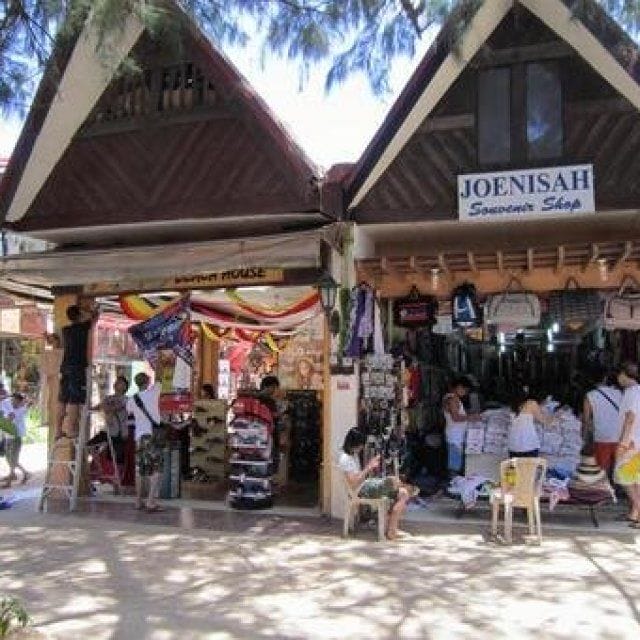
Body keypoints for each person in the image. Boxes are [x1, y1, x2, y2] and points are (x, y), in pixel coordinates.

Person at [338, 428, 414, 540]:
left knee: (403, 493)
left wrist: (370, 467)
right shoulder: (346, 459)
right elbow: (354, 482)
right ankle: (392, 530)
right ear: (354, 443)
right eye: (361, 444)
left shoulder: (353, 455)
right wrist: (369, 467)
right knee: (395, 483)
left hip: (365, 486)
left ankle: (392, 530)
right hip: (361, 490)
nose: (362, 447)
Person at [56, 303, 99, 440]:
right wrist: (89, 310)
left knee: (63, 399)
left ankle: (58, 431)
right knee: (75, 400)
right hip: (77, 368)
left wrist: (83, 311)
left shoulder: (65, 330)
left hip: (65, 367)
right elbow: (95, 316)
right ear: (80, 315)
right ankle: (72, 430)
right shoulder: (83, 327)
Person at [127, 372, 164, 512]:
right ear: (148, 382)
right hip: (152, 436)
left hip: (139, 438)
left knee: (140, 469)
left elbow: (129, 411)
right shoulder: (153, 393)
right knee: (157, 469)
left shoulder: (132, 398)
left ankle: (138, 500)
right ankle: (150, 501)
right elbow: (160, 377)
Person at [613, 362, 640, 528]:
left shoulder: (634, 393)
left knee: (623, 475)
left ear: (624, 374)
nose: (618, 379)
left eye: (619, 375)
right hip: (635, 442)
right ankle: (634, 513)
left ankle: (638, 509)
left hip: (631, 443)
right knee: (635, 478)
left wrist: (623, 443)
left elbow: (630, 418)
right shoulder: (633, 392)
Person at [583, 370, 622, 476]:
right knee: (619, 472)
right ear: (605, 378)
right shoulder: (619, 393)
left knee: (602, 471)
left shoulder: (590, 395)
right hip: (620, 436)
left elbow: (586, 420)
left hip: (602, 437)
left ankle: (606, 484)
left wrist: (585, 439)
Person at [443, 378, 479, 476]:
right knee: (455, 464)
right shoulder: (452, 400)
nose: (465, 392)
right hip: (455, 437)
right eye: (465, 390)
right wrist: (471, 417)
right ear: (458, 387)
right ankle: (453, 481)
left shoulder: (455, 399)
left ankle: (455, 480)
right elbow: (455, 417)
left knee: (456, 462)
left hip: (456, 435)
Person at [88, 376, 130, 460]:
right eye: (116, 382)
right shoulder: (108, 398)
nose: (116, 383)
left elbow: (116, 408)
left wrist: (106, 408)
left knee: (115, 458)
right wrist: (88, 409)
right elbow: (98, 407)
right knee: (90, 446)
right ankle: (98, 461)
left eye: (119, 382)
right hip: (107, 431)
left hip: (119, 433)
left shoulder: (126, 399)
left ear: (125, 387)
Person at [508, 388, 555, 458]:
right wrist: (555, 416)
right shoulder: (531, 403)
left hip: (513, 446)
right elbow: (544, 420)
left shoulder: (512, 406)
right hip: (528, 445)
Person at [0, 393, 31, 487]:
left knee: (13, 460)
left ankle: (10, 481)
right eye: (12, 400)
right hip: (7, 436)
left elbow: (10, 418)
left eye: (16, 401)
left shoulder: (21, 410)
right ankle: (18, 474)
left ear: (20, 402)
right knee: (9, 458)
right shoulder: (7, 404)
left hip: (16, 438)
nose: (13, 402)